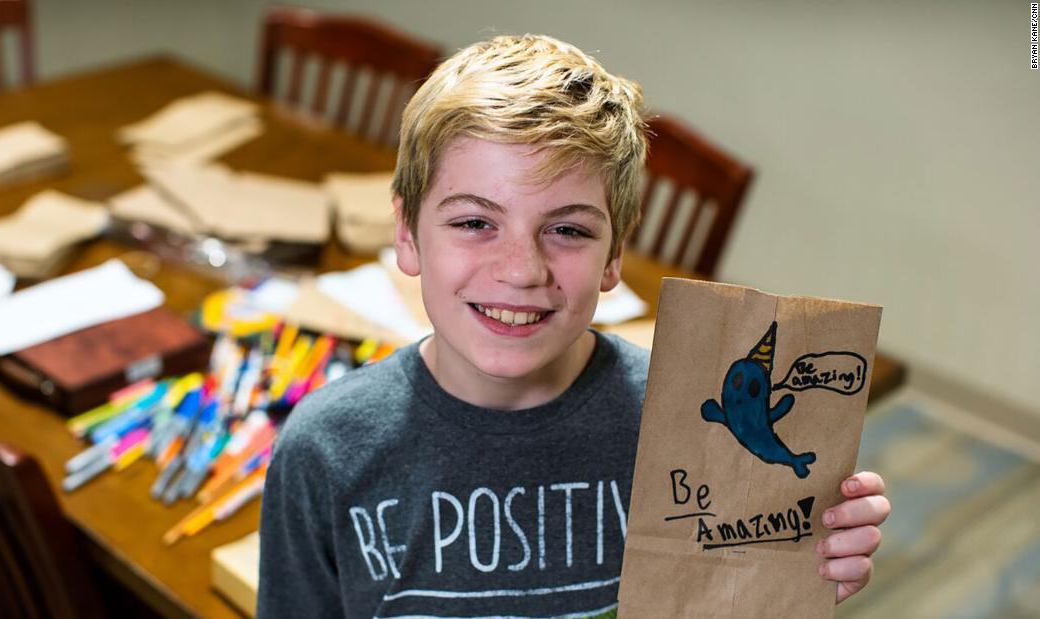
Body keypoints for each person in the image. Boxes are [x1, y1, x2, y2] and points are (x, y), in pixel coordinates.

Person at [258, 34, 889, 618]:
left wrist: (796, 573)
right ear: (406, 232)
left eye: (567, 230)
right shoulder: (326, 451)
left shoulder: (686, 425)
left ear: (614, 255)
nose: (521, 270)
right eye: (475, 222)